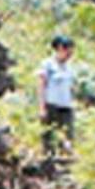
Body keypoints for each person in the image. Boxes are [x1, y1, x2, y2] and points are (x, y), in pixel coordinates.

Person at [37, 35, 76, 165]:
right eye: (67, 50)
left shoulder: (69, 67)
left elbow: (71, 87)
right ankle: (48, 163)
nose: (69, 54)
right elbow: (42, 85)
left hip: (66, 106)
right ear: (59, 48)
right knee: (49, 137)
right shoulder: (48, 64)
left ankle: (65, 164)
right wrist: (42, 107)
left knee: (66, 137)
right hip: (51, 104)